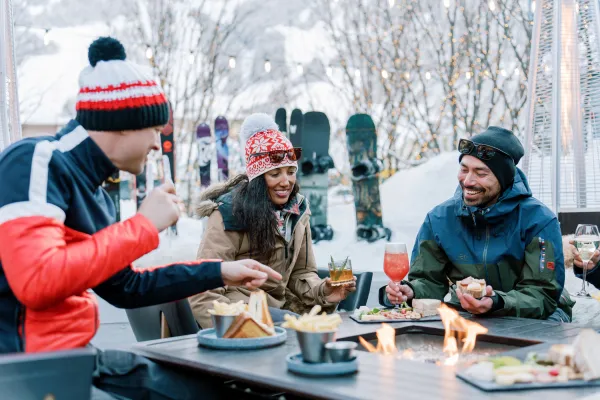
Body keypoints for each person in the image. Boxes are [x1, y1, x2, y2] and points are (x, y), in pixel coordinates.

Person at [0, 37, 282, 399]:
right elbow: (37, 280)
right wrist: (143, 226)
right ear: (121, 124)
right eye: (153, 129)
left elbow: (127, 287)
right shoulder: (37, 160)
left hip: (79, 358)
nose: (156, 144)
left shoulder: (97, 194)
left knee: (218, 390)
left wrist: (219, 271)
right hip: (27, 372)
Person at [380, 126, 574, 322]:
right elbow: (428, 281)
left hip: (535, 317)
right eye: (464, 169)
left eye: (481, 173)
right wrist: (411, 291)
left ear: (504, 178)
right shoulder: (439, 220)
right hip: (466, 313)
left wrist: (497, 301)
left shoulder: (538, 220)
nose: (468, 181)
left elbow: (542, 295)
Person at [189, 113, 356, 328]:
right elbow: (204, 291)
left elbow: (302, 273)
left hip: (279, 310)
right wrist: (239, 330)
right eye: (275, 173)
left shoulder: (298, 212)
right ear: (258, 178)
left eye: (290, 172)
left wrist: (324, 290)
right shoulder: (229, 214)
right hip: (241, 313)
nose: (285, 182)